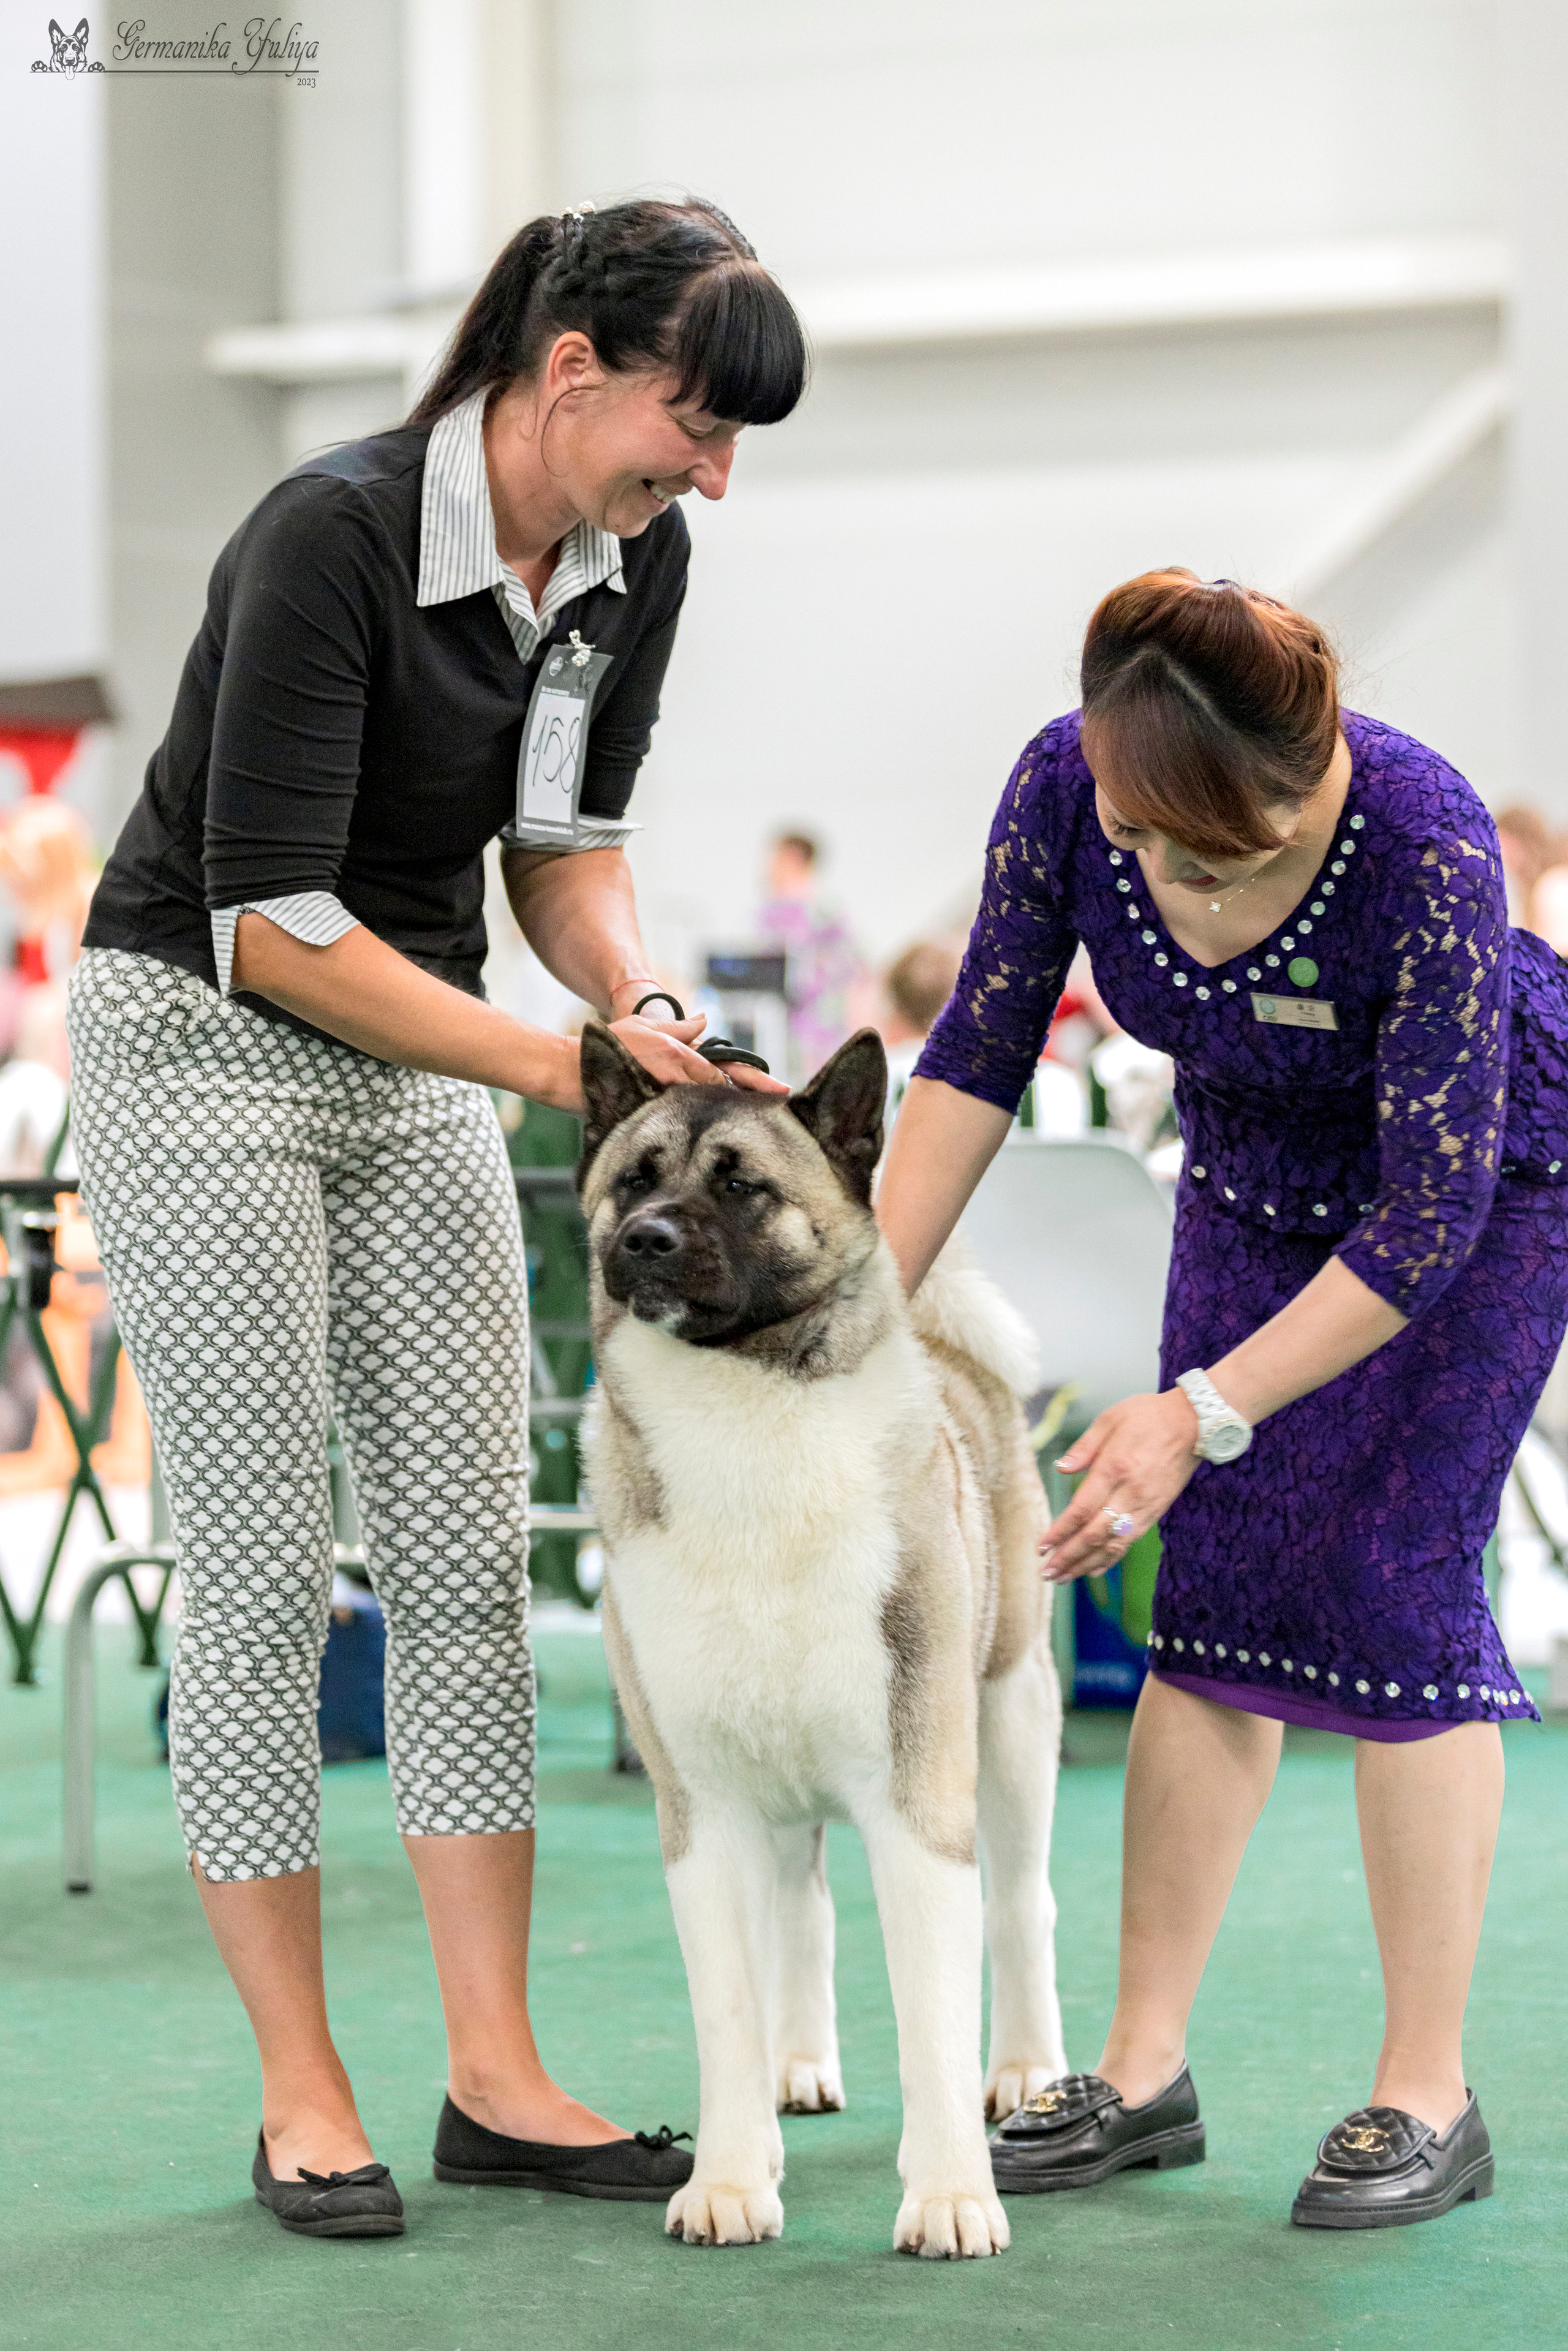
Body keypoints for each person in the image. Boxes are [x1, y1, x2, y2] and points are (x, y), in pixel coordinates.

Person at [66, 197, 805, 2240]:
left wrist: (631, 999)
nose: (714, 475)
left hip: (422, 1041)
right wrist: (566, 1072)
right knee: (263, 1564)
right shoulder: (334, 530)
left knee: (471, 1556)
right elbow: (273, 918)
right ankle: (304, 2090)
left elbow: (563, 848)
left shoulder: (625, 565)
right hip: (204, 1033)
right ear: (570, 374)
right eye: (694, 421)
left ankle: (497, 2073)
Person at [876, 569, 1568, 2230]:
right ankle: (1138, 2066)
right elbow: (976, 1049)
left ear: (1302, 785)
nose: (1174, 896)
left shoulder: (1429, 838)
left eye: (1217, 862)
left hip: (1479, 1192)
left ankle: (1428, 2086)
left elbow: (1426, 1215)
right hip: (1252, 1173)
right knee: (1215, 1595)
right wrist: (858, 1315)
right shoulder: (1066, 778)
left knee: (1398, 1581)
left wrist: (1199, 1402)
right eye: (1147, 853)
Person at [757, 830, 869, 1076]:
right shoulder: (768, 913)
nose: (769, 866)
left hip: (821, 1034)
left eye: (776, 857)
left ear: (794, 858)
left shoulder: (827, 913)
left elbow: (856, 974)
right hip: (780, 1032)